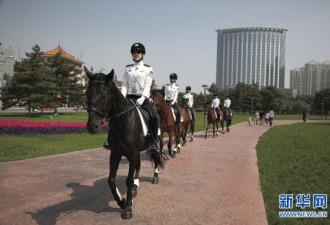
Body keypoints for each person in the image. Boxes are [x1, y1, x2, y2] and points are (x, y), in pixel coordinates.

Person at [121, 42, 159, 151]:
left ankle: (153, 142)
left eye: (138, 52)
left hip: (142, 98)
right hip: (129, 97)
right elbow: (124, 84)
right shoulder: (128, 68)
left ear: (143, 54)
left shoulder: (148, 68)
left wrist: (142, 98)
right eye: (133, 52)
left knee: (155, 117)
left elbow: (148, 84)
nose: (136, 54)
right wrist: (123, 96)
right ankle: (114, 140)